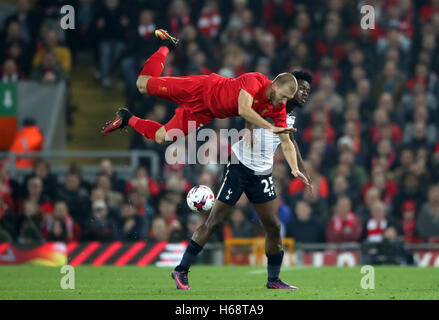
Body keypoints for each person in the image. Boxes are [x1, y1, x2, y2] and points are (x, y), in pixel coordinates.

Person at [171, 70, 312, 290]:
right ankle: (181, 269)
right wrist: (249, 128)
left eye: (307, 91)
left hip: (262, 174)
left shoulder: (288, 115)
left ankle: (273, 280)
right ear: (287, 88)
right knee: (215, 221)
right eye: (300, 88)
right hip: (240, 167)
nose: (303, 93)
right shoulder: (268, 102)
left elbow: (289, 141)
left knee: (273, 227)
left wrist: (300, 170)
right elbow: (248, 111)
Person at [102, 29, 298, 144]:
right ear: (275, 85)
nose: (284, 102)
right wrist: (269, 128)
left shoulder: (277, 106)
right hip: (201, 88)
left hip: (204, 113)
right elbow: (244, 109)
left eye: (287, 100)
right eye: (283, 96)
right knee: (141, 85)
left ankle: (127, 118)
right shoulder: (255, 80)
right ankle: (167, 45)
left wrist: (297, 169)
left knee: (163, 137)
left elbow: (286, 140)